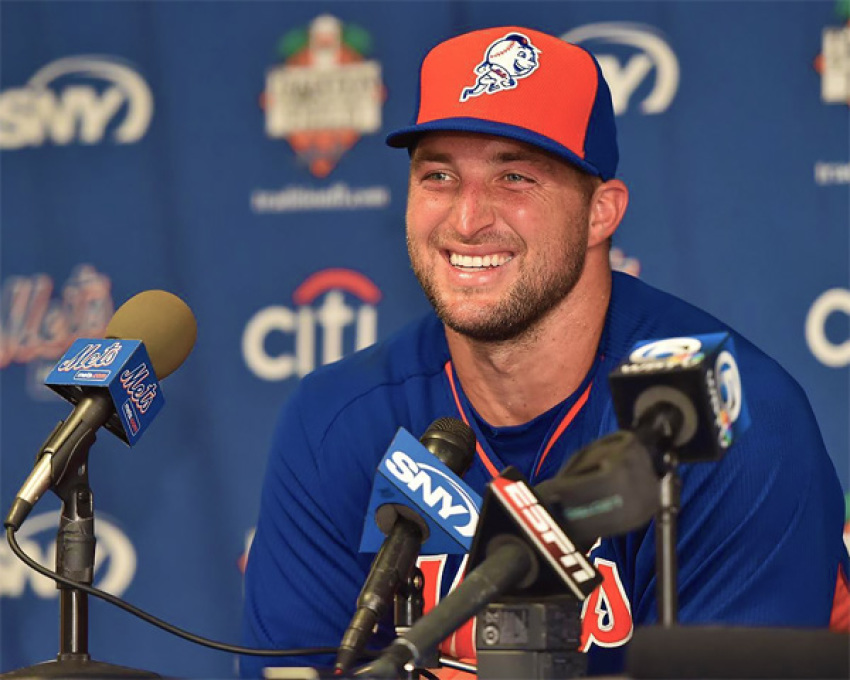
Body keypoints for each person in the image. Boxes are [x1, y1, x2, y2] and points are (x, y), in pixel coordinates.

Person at [240, 26, 849, 677]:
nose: (467, 220)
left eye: (515, 177)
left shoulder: (724, 419)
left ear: (601, 213)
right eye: (439, 175)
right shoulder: (337, 420)